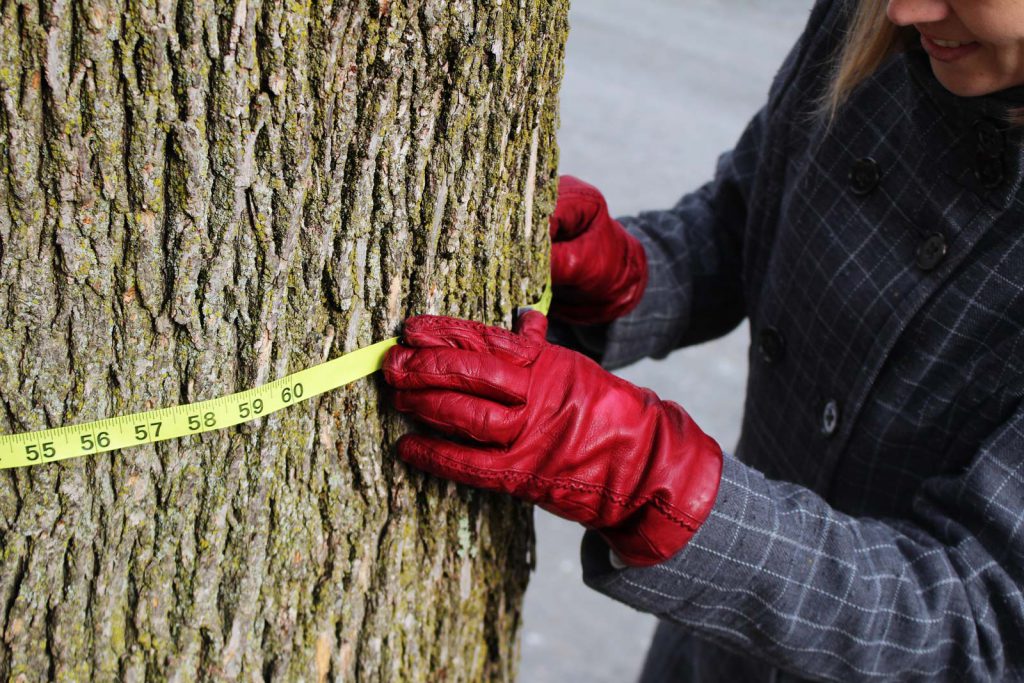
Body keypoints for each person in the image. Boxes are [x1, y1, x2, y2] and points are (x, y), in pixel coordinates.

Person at [382, 0, 1024, 680]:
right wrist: (631, 278)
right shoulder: (870, 23)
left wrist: (659, 488)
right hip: (714, 655)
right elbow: (747, 219)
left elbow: (978, 620)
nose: (906, 8)